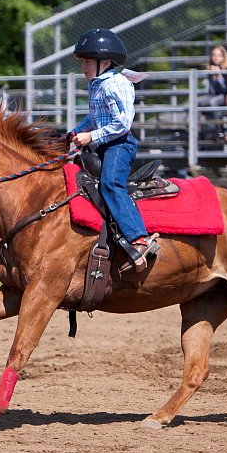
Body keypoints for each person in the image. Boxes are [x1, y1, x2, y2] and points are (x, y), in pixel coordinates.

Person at [68, 28, 159, 272]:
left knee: (110, 184)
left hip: (120, 145)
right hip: (103, 143)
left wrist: (91, 136)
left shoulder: (115, 84)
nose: (83, 67)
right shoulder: (95, 85)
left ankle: (139, 239)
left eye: (87, 61)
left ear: (105, 62)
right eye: (82, 62)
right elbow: (94, 117)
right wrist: (74, 131)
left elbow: (121, 124)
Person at [199, 45, 227, 139]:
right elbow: (210, 91)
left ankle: (219, 130)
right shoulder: (210, 69)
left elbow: (226, 89)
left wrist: (219, 76)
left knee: (214, 102)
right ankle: (196, 130)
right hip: (213, 95)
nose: (216, 57)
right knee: (197, 102)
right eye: (214, 55)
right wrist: (210, 78)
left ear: (224, 57)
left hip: (225, 96)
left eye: (219, 55)